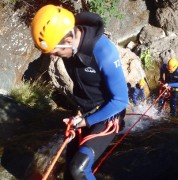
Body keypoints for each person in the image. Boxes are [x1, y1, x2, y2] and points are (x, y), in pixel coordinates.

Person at [31, 5, 128, 180]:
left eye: (56, 52)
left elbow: (120, 100)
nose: (54, 57)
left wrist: (86, 121)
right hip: (84, 112)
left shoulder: (104, 52)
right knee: (69, 172)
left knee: (79, 169)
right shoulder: (69, 49)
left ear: (67, 41)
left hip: (108, 114)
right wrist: (81, 116)